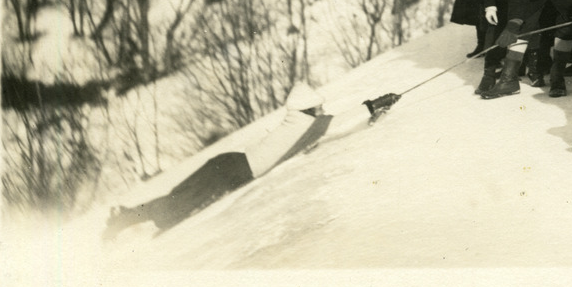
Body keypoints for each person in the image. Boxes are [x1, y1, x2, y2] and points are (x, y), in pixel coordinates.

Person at [103, 83, 399, 240]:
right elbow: (341, 121)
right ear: (308, 108)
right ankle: (125, 220)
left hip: (231, 163)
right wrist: (374, 105)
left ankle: (125, 215)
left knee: (178, 197)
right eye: (318, 106)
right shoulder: (307, 124)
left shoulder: (296, 120)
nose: (322, 109)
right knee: (179, 206)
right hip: (234, 170)